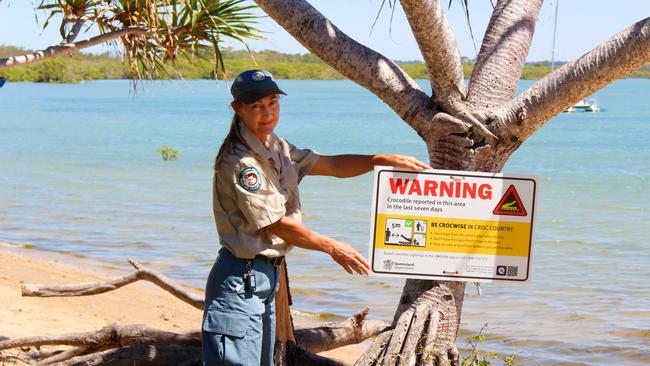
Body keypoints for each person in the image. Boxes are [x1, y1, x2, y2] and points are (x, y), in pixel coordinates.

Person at [203, 69, 431, 366]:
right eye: (256, 106)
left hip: (265, 279)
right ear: (238, 108)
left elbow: (332, 164)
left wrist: (378, 160)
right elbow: (276, 224)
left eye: (272, 102)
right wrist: (332, 247)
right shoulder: (241, 162)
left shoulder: (277, 147)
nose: (267, 112)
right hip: (240, 280)